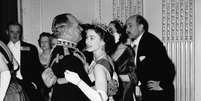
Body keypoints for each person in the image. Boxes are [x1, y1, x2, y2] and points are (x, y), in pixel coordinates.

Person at [42, 13, 92, 101]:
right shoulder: (67, 55)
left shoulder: (59, 50)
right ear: (67, 30)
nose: (81, 29)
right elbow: (81, 89)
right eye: (77, 26)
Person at [125, 15, 175, 101]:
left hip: (159, 94)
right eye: (126, 26)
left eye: (130, 26)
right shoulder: (142, 41)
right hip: (149, 93)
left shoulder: (150, 41)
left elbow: (169, 67)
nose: (127, 30)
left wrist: (162, 85)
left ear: (140, 27)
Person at [64, 24, 119, 101]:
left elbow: (101, 99)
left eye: (91, 38)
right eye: (87, 37)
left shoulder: (99, 66)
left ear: (103, 42)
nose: (87, 41)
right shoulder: (106, 58)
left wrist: (78, 81)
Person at [7, 22, 44, 101]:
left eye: (18, 32)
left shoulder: (30, 48)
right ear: (7, 32)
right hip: (8, 85)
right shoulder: (3, 49)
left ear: (20, 33)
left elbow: (37, 69)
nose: (15, 35)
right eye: (12, 32)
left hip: (27, 85)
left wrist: (35, 84)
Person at [109, 20, 138, 101]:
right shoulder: (108, 51)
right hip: (112, 92)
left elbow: (134, 77)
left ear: (120, 33)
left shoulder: (128, 50)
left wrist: (114, 78)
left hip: (124, 92)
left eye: (111, 30)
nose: (108, 33)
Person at [38, 32, 52, 101]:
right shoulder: (36, 57)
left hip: (54, 88)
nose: (43, 44)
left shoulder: (55, 56)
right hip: (41, 91)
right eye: (41, 42)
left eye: (46, 41)